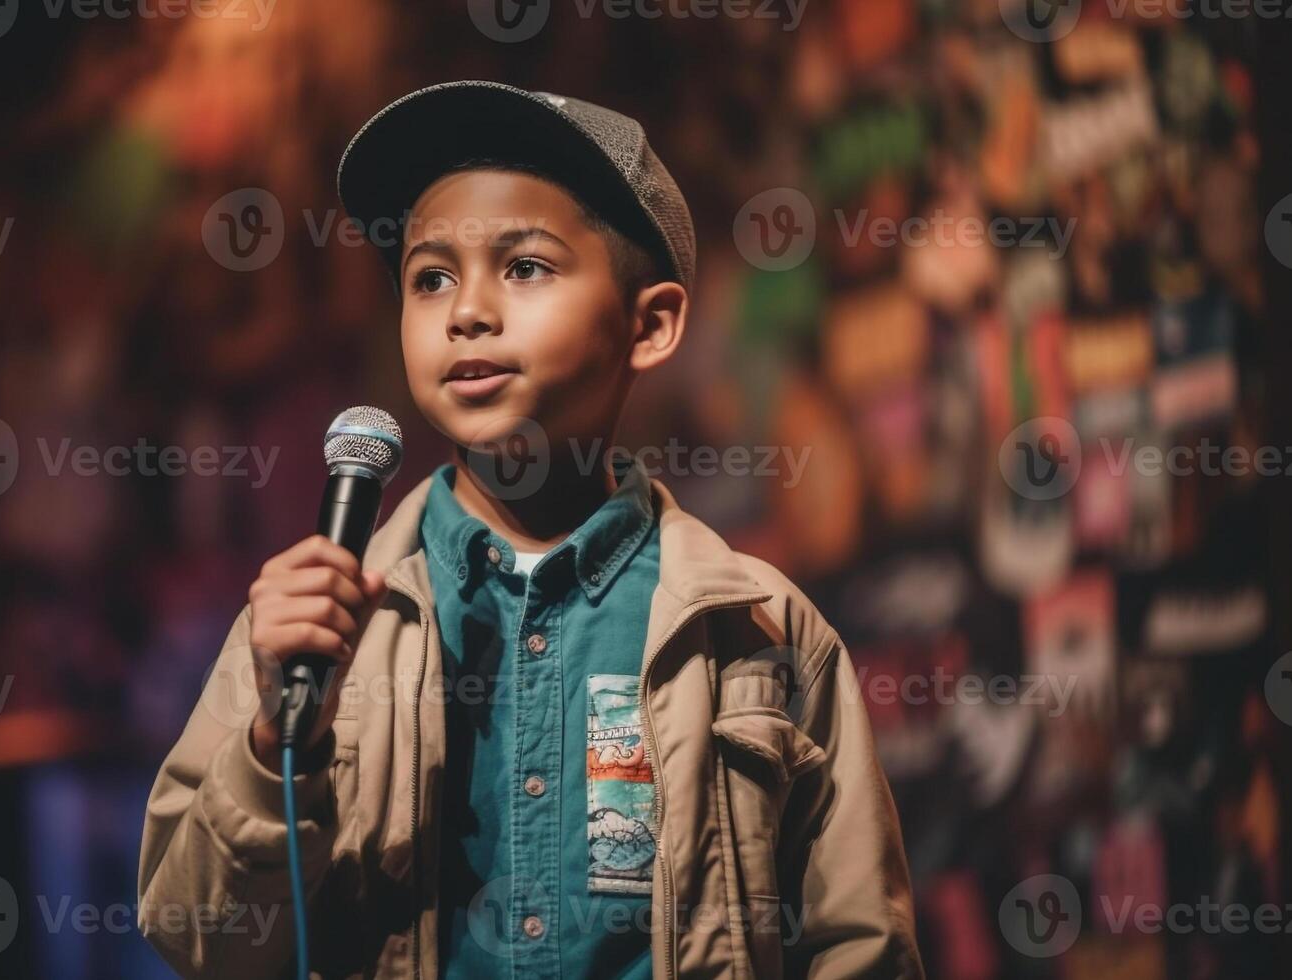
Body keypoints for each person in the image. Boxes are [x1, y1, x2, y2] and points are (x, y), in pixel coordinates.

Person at [136, 80, 924, 979]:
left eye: (525, 267)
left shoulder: (755, 631)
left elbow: (862, 945)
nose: (466, 310)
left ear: (651, 323)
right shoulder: (314, 620)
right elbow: (196, 935)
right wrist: (280, 733)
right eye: (430, 277)